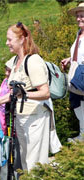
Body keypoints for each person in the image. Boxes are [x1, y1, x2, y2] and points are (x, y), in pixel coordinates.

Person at [0, 22, 51, 175]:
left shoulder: (33, 61)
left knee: (34, 164)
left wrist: (23, 95)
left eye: (10, 39)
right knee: (25, 163)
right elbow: (13, 92)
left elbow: (45, 92)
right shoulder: (15, 62)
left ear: (22, 39)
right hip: (21, 118)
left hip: (35, 119)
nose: (7, 43)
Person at [61, 2, 84, 142]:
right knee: (78, 107)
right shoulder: (78, 34)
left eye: (82, 16)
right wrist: (70, 59)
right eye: (78, 16)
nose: (79, 19)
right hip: (76, 76)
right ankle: (82, 135)